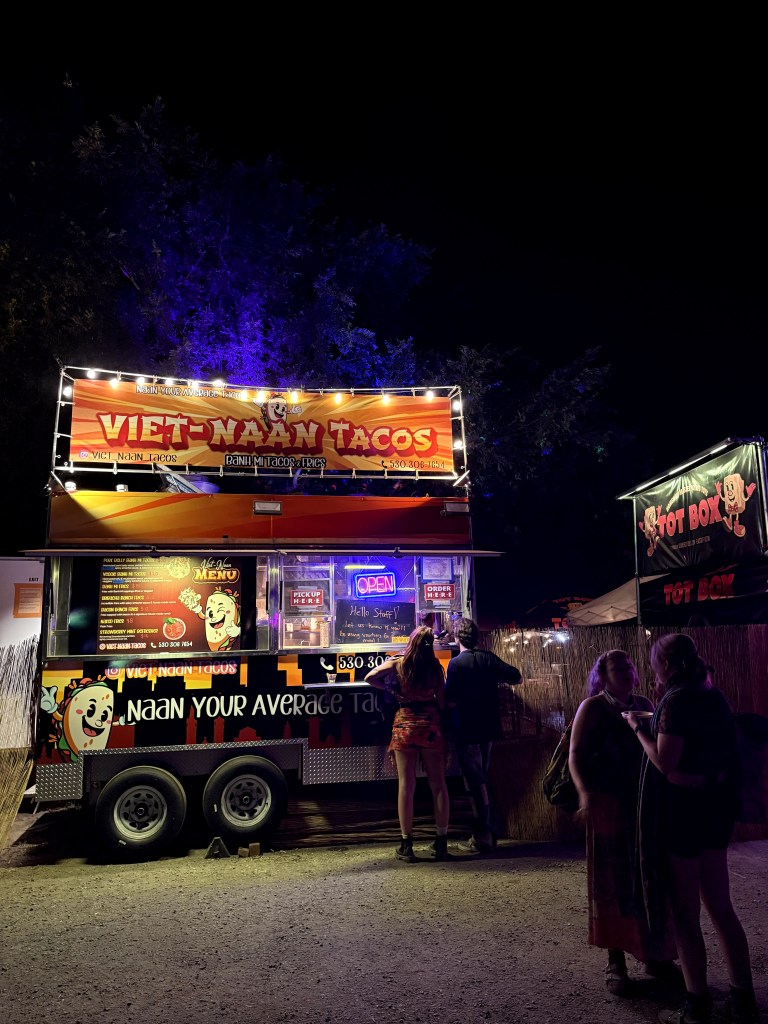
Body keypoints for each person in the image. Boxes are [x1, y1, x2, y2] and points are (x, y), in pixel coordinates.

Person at [626, 633, 758, 1024]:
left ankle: (697, 1003)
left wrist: (638, 727)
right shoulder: (710, 693)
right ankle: (742, 996)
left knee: (685, 912)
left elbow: (666, 763)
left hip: (683, 812)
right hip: (714, 808)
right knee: (720, 905)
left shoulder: (679, 700)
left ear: (664, 666)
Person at [569, 649, 679, 999]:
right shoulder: (593, 707)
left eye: (630, 667)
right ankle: (615, 961)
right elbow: (574, 753)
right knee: (611, 882)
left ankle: (654, 954)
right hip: (608, 804)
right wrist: (585, 793)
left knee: (646, 877)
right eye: (618, 669)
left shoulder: (644, 702)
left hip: (642, 803)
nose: (627, 673)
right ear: (603, 675)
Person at [364, 625, 451, 862]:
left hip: (404, 725)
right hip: (430, 726)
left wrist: (391, 689)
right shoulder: (435, 668)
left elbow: (369, 677)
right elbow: (442, 703)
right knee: (439, 785)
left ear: (411, 642)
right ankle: (441, 842)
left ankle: (406, 844)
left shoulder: (398, 663)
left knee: (406, 785)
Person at [444, 617, 522, 854]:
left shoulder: (456, 664)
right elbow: (516, 676)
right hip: (488, 727)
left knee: (475, 782)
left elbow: (450, 699)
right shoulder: (489, 659)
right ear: (477, 638)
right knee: (481, 778)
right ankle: (487, 833)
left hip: (466, 729)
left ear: (457, 638)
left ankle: (483, 836)